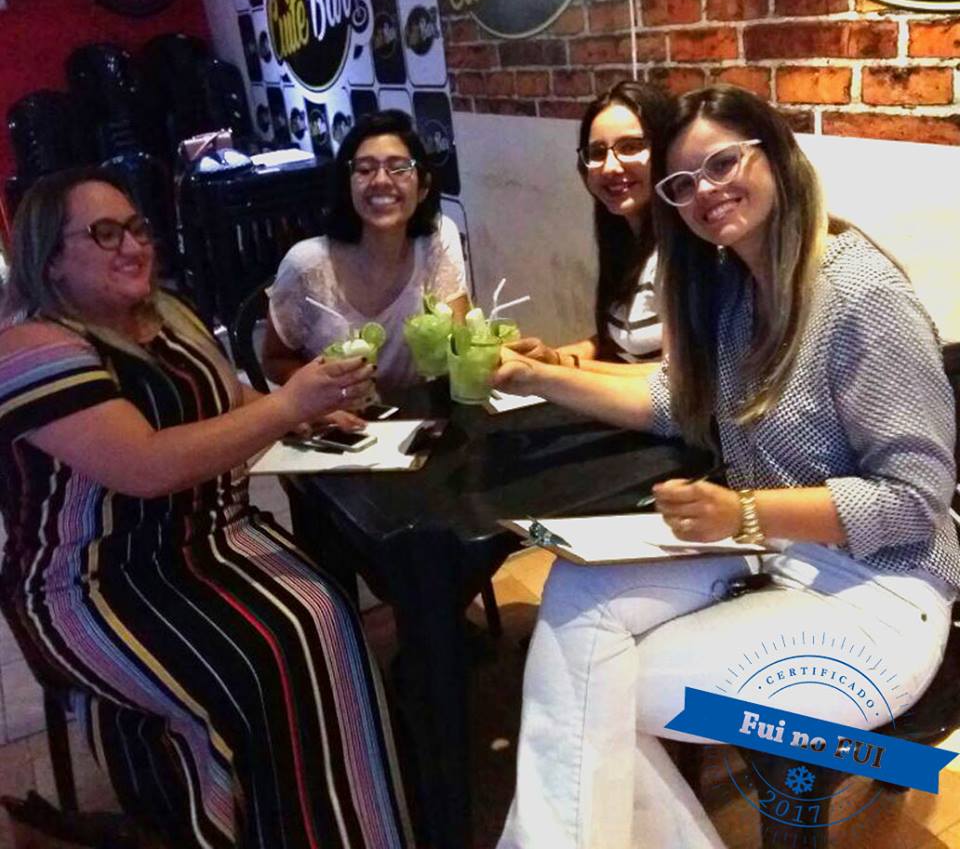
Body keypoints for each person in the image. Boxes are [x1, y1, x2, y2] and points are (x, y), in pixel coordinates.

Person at [493, 86, 960, 849]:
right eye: (683, 183)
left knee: (596, 692)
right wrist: (541, 376)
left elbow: (914, 502)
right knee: (575, 600)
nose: (704, 191)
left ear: (774, 154)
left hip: (882, 594)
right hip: (775, 556)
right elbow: (678, 401)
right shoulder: (741, 291)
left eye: (722, 163)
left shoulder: (861, 295)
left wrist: (745, 512)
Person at [0, 167, 413, 849]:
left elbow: (224, 397)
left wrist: (300, 417)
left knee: (324, 615)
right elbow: (144, 465)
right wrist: (289, 404)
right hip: (95, 580)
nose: (133, 245)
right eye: (104, 233)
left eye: (136, 228)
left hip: (213, 542)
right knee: (271, 649)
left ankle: (339, 825)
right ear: (50, 259)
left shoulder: (165, 315)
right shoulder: (30, 349)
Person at [264, 109, 469, 391]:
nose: (381, 180)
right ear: (347, 187)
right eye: (364, 169)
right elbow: (275, 360)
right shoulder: (306, 265)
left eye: (399, 168)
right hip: (342, 415)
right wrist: (326, 392)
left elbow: (460, 341)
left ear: (423, 187)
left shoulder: (437, 238)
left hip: (421, 411)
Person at [509, 81, 673, 374]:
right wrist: (550, 356)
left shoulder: (679, 251)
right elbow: (623, 344)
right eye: (597, 152)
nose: (610, 167)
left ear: (667, 149)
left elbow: (672, 380)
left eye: (630, 147)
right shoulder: (626, 241)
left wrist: (552, 370)